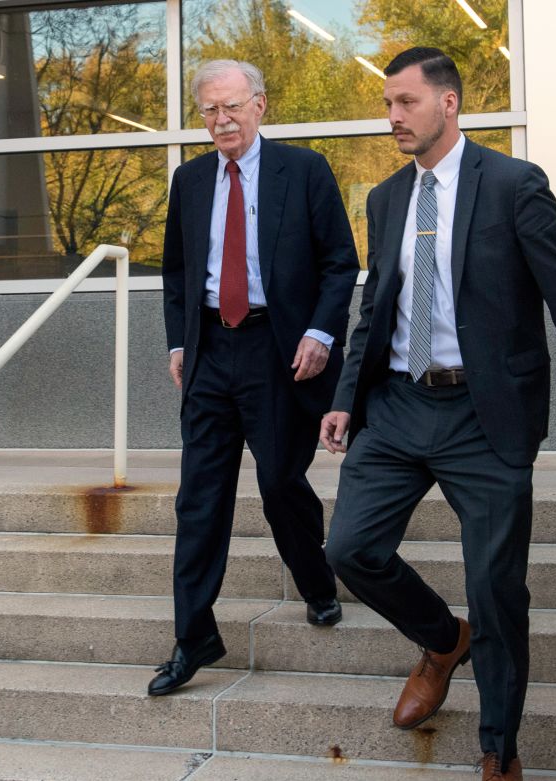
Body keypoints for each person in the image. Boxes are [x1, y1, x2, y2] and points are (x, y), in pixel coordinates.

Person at [319, 47, 556, 780]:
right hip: (395, 406)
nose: (392, 116)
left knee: (495, 588)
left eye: (404, 102)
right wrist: (343, 399)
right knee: (348, 550)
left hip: (484, 412)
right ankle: (441, 638)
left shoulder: (513, 185)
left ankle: (499, 748)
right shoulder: (387, 197)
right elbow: (377, 308)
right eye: (387, 104)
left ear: (448, 103)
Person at [151, 59, 360, 697]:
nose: (221, 121)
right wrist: (181, 340)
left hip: (280, 350)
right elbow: (178, 272)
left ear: (260, 105)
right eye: (209, 110)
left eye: (232, 107)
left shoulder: (305, 171)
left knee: (278, 483)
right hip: (212, 350)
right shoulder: (188, 181)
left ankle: (317, 584)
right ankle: (194, 637)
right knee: (199, 498)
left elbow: (340, 263)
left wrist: (322, 334)